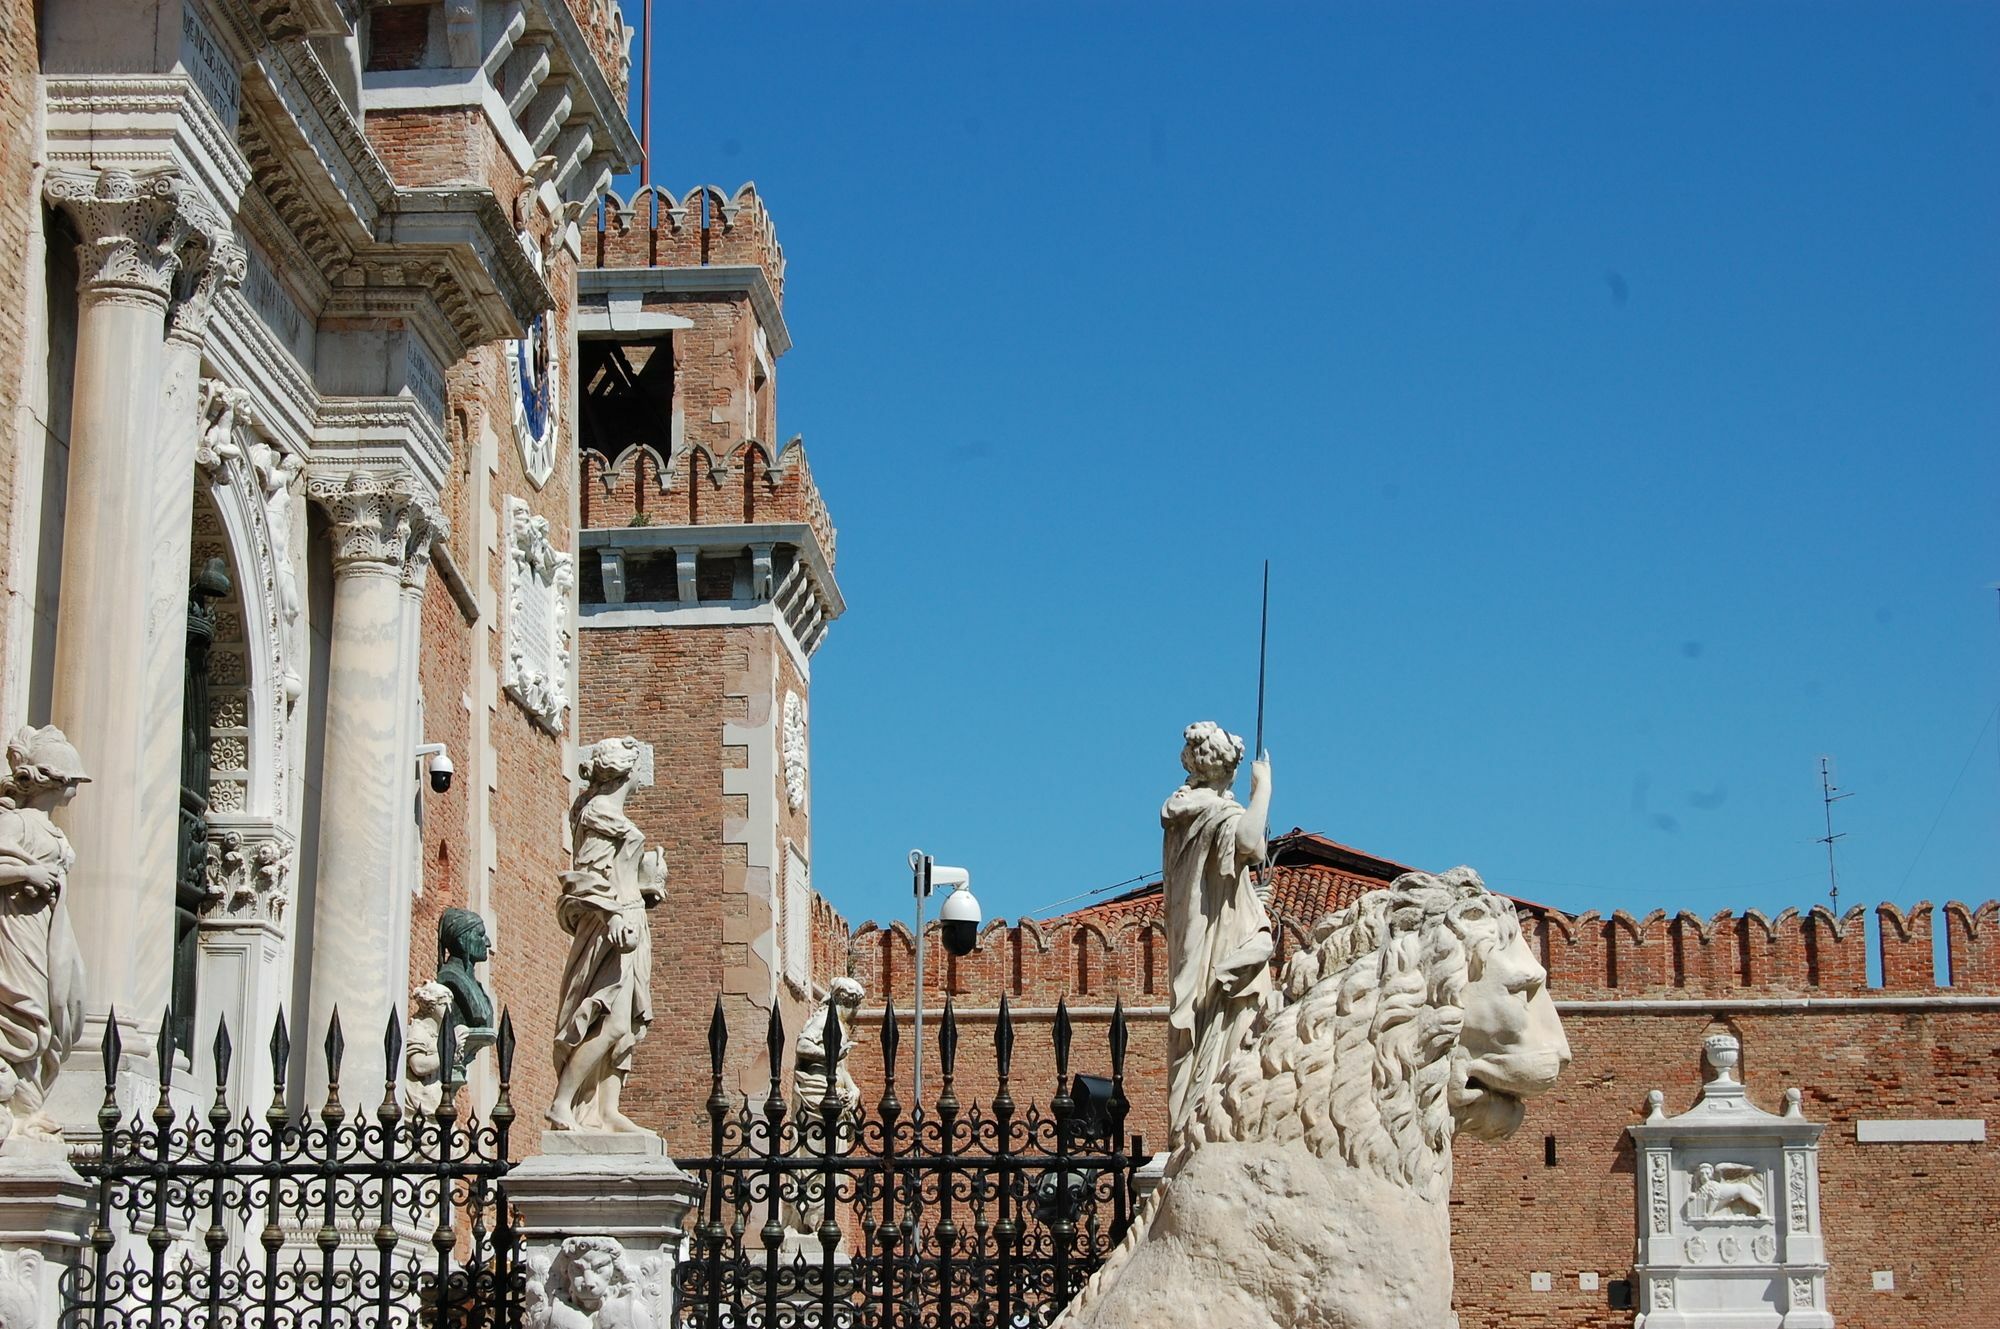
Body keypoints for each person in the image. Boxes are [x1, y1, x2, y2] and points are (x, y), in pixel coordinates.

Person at [1161, 721, 1275, 1145]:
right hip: (1222, 937)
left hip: (1209, 930)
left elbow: (1223, 875)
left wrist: (1248, 892)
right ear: (1228, 770)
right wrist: (1262, 790)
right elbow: (1251, 843)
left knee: (1211, 1026)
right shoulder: (1216, 811)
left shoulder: (1183, 808)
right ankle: (1209, 1121)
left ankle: (1199, 1116)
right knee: (1230, 1026)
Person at [549, 738, 665, 1133]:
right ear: (627, 771)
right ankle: (562, 1102)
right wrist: (614, 915)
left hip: (632, 920)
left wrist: (647, 885)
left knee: (627, 1024)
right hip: (610, 926)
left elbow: (619, 873)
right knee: (609, 1019)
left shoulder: (608, 812)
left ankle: (606, 1111)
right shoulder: (599, 813)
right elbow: (587, 879)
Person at [0, 726, 90, 1143]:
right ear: (53, 779)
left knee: (53, 1013)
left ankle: (28, 1104)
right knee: (24, 1014)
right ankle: (20, 1108)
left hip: (44, 930)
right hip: (15, 930)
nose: (74, 787)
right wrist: (27, 871)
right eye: (71, 779)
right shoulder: (16, 823)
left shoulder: (52, 831)